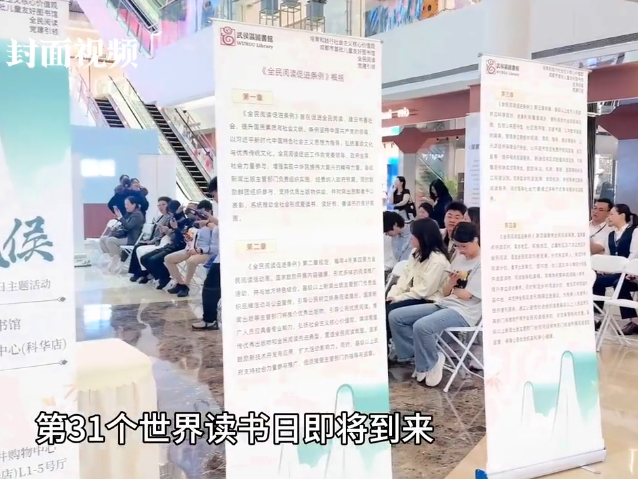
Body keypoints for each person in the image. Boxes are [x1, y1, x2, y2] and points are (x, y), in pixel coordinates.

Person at [389, 222, 482, 387]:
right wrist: (451, 284)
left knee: (422, 326)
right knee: (396, 316)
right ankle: (422, 357)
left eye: (464, 246)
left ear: (476, 240)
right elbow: (446, 292)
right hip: (445, 303)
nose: (460, 250)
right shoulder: (459, 257)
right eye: (457, 246)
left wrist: (453, 287)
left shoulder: (483, 263)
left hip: (465, 312)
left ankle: (428, 363)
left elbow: (467, 295)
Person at [385, 218, 450, 344]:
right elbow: (404, 278)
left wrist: (398, 298)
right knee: (385, 307)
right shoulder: (416, 252)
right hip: (414, 296)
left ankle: (402, 349)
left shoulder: (438, 260)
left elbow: (425, 290)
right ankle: (390, 347)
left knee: (390, 312)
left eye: (414, 236)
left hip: (429, 300)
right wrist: (392, 295)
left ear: (424, 237)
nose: (411, 238)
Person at [593, 203, 638, 334]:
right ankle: (597, 316)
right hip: (616, 272)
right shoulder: (611, 235)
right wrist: (604, 267)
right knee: (596, 279)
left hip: (630, 273)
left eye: (612, 214)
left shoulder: (634, 231)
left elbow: (634, 253)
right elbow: (608, 255)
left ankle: (635, 321)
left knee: (619, 282)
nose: (609, 217)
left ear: (622, 216)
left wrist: (626, 269)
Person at [164, 200, 216, 298]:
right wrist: (187, 238)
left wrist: (199, 250)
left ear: (209, 212)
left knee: (191, 261)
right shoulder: (194, 222)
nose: (199, 215)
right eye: (199, 212)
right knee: (168, 258)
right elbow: (189, 236)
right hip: (191, 248)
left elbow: (215, 246)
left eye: (203, 213)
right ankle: (180, 283)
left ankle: (186, 285)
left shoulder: (213, 226)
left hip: (206, 252)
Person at [140, 201, 193, 290]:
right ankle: (162, 277)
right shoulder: (184, 220)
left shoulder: (192, 223)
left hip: (181, 246)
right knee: (144, 258)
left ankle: (165, 278)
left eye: (192, 209)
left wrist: (173, 229)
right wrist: (175, 215)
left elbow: (184, 238)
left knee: (154, 260)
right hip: (172, 244)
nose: (189, 210)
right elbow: (171, 226)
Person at [193, 177, 221, 331]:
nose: (214, 198)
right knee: (211, 287)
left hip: (224, 257)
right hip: (221, 257)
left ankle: (210, 320)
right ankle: (209, 319)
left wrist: (210, 223)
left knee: (210, 287)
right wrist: (210, 221)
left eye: (214, 194)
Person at [129, 196, 173, 282]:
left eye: (163, 204)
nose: (161, 207)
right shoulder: (159, 217)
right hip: (154, 240)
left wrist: (152, 241)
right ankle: (139, 272)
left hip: (161, 242)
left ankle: (145, 273)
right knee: (137, 246)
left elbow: (162, 235)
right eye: (159, 205)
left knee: (140, 248)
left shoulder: (170, 218)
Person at [99, 196, 145, 271]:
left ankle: (117, 258)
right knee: (103, 239)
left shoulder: (137, 215)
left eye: (127, 204)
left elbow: (128, 226)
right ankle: (112, 257)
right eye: (125, 204)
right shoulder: (130, 214)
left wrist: (120, 217)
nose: (126, 206)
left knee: (111, 240)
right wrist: (117, 227)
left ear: (134, 204)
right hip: (124, 236)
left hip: (131, 239)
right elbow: (124, 225)